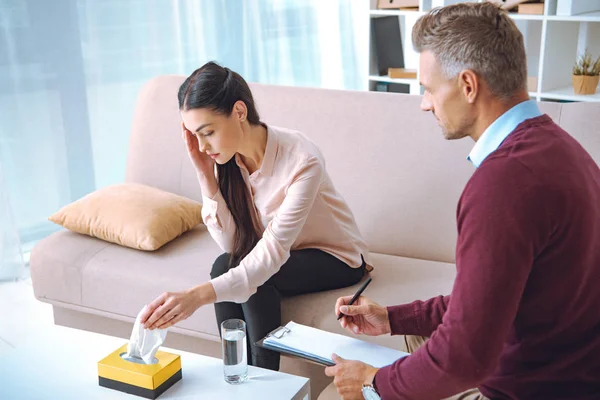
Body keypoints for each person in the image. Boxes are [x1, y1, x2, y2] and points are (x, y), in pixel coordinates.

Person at [324, 3, 600, 400]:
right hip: (570, 373)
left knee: (334, 395)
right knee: (399, 355)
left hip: (523, 388)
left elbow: (464, 359)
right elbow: (496, 294)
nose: (424, 103)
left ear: (468, 86)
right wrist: (392, 318)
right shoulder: (563, 149)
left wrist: (372, 380)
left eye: (430, 89)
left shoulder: (503, 183)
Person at [140, 61, 371, 371]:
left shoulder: (302, 159)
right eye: (195, 135)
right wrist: (205, 174)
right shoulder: (225, 159)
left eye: (207, 132)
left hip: (336, 258)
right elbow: (232, 244)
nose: (202, 145)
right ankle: (236, 373)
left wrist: (196, 297)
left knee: (256, 278)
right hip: (287, 255)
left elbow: (269, 256)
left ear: (239, 112)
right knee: (224, 265)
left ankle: (265, 381)